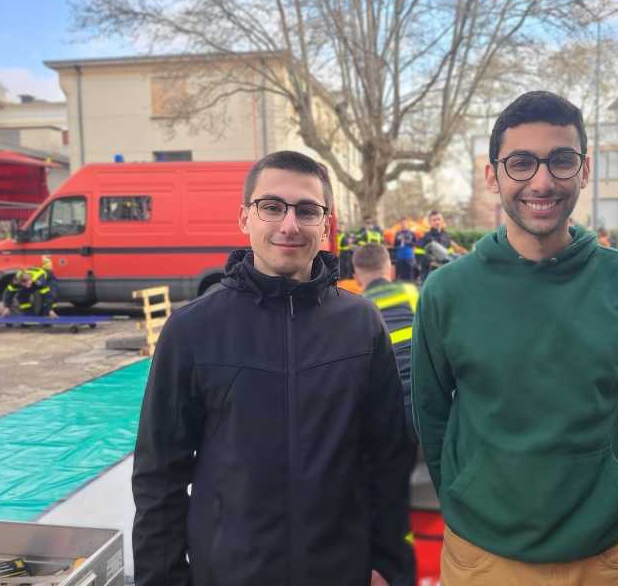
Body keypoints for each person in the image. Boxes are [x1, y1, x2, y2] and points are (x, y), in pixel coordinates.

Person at [412, 91, 618, 585]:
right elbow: (432, 413)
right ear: (493, 176)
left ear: (584, 170)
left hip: (600, 557)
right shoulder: (447, 291)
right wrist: (464, 497)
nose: (542, 181)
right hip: (481, 556)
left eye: (561, 160)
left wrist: (615, 496)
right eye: (521, 162)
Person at [132, 150, 411, 586]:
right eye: (272, 206)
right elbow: (158, 475)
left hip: (340, 572)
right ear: (245, 218)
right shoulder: (192, 329)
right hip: (229, 574)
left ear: (325, 225)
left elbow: (388, 456)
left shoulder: (361, 324)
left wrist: (388, 564)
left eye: (307, 210)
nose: (289, 224)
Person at [353, 243, 422, 585]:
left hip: (390, 416)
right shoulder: (413, 292)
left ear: (357, 277)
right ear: (390, 270)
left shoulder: (357, 308)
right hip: (424, 410)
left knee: (389, 492)